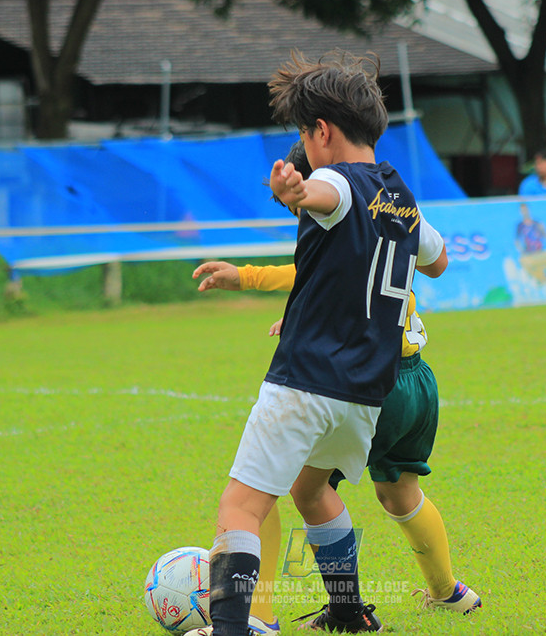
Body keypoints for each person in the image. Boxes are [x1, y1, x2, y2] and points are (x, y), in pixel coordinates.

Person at [188, 50, 449, 636]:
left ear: (322, 132)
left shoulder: (331, 178)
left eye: (303, 138)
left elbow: (324, 194)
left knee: (241, 506)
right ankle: (350, 612)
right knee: (311, 490)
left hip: (306, 381)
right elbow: (437, 260)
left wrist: (294, 193)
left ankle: (232, 629)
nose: (301, 151)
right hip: (363, 393)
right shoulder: (401, 196)